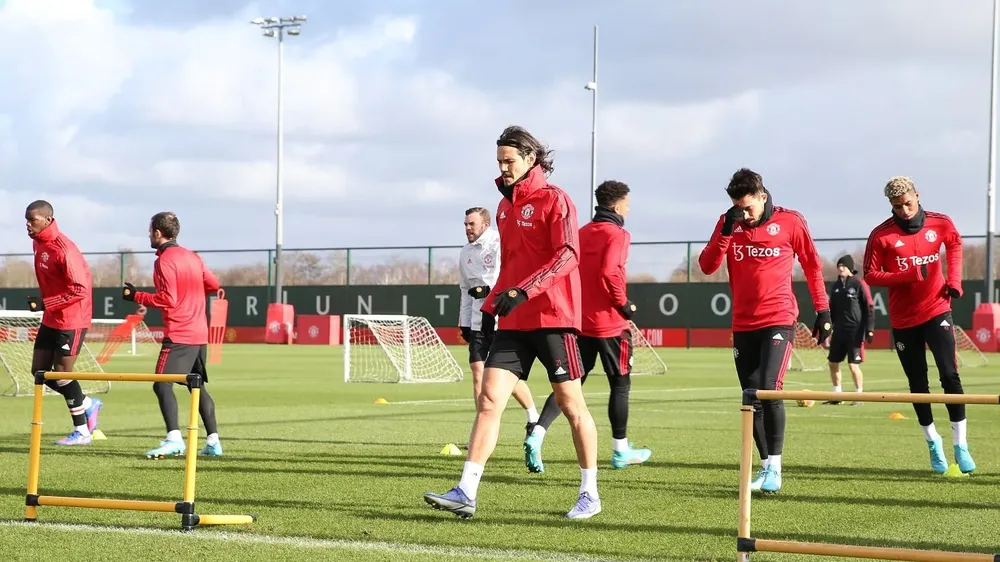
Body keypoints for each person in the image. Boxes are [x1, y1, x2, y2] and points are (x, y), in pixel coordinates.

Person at [424, 125, 600, 520]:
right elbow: (509, 267)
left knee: (572, 405)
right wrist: (490, 309)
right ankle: (466, 491)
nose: (503, 168)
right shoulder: (503, 208)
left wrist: (525, 291)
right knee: (489, 400)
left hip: (554, 319)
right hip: (516, 323)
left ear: (530, 159)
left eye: (510, 161)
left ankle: (589, 492)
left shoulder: (556, 200)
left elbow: (568, 255)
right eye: (499, 161)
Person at [698, 168, 831, 494]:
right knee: (750, 396)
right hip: (743, 322)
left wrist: (823, 309)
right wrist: (726, 230)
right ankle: (766, 465)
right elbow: (707, 266)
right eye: (737, 208)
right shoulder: (728, 223)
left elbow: (812, 265)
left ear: (763, 196)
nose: (743, 214)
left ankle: (776, 468)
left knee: (769, 388)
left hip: (779, 318)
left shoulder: (791, 221)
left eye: (748, 208)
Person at [523, 180, 651, 473]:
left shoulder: (581, 233)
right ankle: (620, 450)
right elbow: (609, 271)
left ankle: (538, 432)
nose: (628, 209)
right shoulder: (618, 234)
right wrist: (624, 303)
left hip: (580, 323)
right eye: (627, 204)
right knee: (620, 384)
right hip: (610, 324)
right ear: (617, 205)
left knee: (570, 385)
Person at [862, 176, 973, 475]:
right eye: (897, 206)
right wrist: (908, 275)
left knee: (949, 374)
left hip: (937, 309)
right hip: (904, 318)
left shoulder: (940, 222)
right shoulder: (881, 235)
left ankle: (960, 444)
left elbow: (955, 244)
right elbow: (870, 274)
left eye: (908, 203)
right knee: (918, 384)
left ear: (918, 196)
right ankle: (933, 441)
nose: (905, 211)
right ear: (890, 205)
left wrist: (954, 280)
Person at [122, 212, 224, 459]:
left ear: (158, 233)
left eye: (150, 231)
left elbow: (168, 299)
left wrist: (136, 296)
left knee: (161, 384)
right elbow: (213, 285)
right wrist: (192, 293)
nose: (149, 235)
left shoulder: (164, 260)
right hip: (199, 332)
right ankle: (213, 442)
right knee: (195, 385)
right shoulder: (193, 257)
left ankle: (174, 439)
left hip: (180, 333)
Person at [25, 200, 103, 446]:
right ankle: (87, 403)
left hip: (72, 318)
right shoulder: (38, 242)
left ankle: (82, 432)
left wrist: (47, 303)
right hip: (52, 317)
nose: (28, 225)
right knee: (39, 372)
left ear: (48, 220)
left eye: (32, 220)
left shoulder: (65, 249)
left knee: (61, 374)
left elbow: (80, 290)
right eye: (26, 220)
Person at [458, 207, 539, 435]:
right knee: (478, 371)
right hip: (477, 321)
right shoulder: (465, 252)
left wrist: (488, 291)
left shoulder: (499, 244)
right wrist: (464, 322)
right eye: (465, 224)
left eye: (472, 224)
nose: (467, 228)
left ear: (485, 225)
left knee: (505, 375)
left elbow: (506, 278)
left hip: (499, 319)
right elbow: (465, 289)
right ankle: (481, 431)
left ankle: (533, 416)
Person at [822, 255, 873, 406]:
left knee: (853, 365)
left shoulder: (859, 284)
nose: (840, 268)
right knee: (833, 363)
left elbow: (869, 307)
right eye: (839, 266)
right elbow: (832, 310)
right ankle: (837, 395)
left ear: (850, 268)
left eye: (843, 266)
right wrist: (828, 327)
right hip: (839, 331)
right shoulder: (836, 286)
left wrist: (869, 329)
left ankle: (859, 396)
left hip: (855, 332)